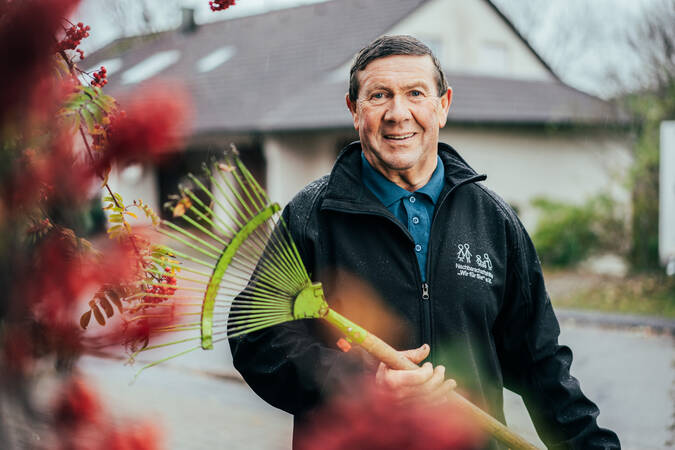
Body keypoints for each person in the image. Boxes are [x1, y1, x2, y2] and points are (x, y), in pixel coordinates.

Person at [230, 35, 620, 449]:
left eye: (415, 93)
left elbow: (541, 361)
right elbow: (255, 338)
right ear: (354, 110)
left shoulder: (493, 220)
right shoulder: (311, 217)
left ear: (443, 105)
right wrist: (361, 383)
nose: (399, 114)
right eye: (379, 95)